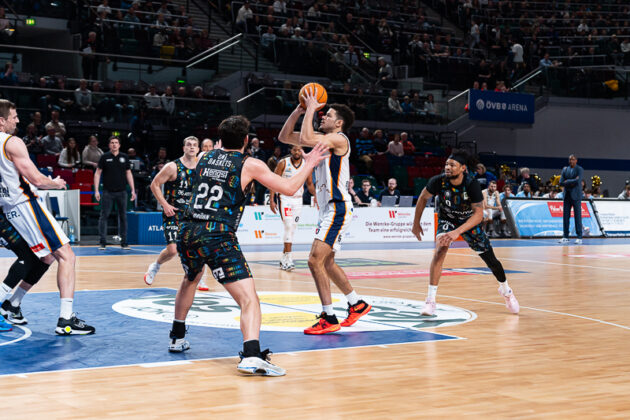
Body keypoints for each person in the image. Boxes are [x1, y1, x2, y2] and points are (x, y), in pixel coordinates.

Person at [170, 115, 327, 377]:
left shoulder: (203, 158)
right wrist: (309, 162)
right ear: (246, 140)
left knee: (191, 278)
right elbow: (289, 188)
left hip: (187, 230)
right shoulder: (249, 163)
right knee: (249, 299)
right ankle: (252, 355)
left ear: (219, 140)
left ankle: (176, 336)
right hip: (217, 234)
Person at [278, 89, 372, 335]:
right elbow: (285, 136)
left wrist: (311, 106)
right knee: (327, 263)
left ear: (338, 123)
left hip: (338, 208)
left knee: (313, 260)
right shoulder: (322, 139)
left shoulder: (339, 139)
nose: (322, 116)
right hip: (328, 210)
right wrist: (298, 110)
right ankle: (357, 303)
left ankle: (329, 317)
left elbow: (307, 135)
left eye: (327, 114)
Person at [0, 99, 95, 334]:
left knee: (46, 257)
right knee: (67, 255)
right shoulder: (12, 142)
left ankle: (13, 304)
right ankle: (66, 319)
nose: (18, 120)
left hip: (9, 208)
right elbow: (36, 179)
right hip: (26, 205)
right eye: (13, 117)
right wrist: (56, 183)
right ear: (1, 121)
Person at [411, 149, 519, 316]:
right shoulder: (438, 181)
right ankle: (430, 301)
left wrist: (458, 232)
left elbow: (478, 214)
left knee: (491, 261)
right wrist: (416, 223)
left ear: (462, 168)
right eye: (446, 164)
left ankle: (506, 291)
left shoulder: (471, 184)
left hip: (469, 222)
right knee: (440, 249)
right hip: (447, 219)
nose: (448, 167)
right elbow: (423, 198)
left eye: (452, 165)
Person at [145, 137, 199, 285]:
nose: (192, 147)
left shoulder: (202, 168)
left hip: (193, 215)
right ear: (183, 148)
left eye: (195, 145)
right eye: (189, 145)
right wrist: (165, 205)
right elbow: (154, 184)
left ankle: (198, 278)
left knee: (197, 248)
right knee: (173, 250)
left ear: (198, 149)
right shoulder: (172, 166)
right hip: (173, 213)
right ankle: (155, 266)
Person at [269, 145, 316, 271]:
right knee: (288, 225)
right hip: (284, 198)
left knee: (292, 229)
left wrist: (316, 195)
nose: (296, 152)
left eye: (299, 150)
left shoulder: (306, 165)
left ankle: (284, 258)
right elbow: (273, 181)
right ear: (290, 151)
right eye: (294, 149)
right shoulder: (283, 163)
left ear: (302, 151)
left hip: (298, 199)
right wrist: (271, 199)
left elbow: (310, 184)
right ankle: (289, 259)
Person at [94, 136, 136, 250]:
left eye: (116, 142)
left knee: (123, 217)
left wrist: (132, 189)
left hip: (122, 192)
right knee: (104, 216)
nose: (114, 144)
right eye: (112, 142)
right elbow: (97, 173)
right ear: (109, 145)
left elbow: (129, 173)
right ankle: (102, 242)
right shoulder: (104, 157)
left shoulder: (124, 157)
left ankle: (124, 242)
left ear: (119, 145)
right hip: (107, 192)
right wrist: (97, 190)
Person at [558, 154, 584, 244]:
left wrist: (567, 181)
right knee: (565, 217)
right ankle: (565, 236)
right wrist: (571, 181)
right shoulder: (565, 169)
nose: (571, 161)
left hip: (576, 196)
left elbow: (578, 180)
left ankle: (579, 237)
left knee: (577, 217)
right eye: (570, 159)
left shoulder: (579, 169)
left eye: (573, 159)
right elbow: (560, 182)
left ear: (576, 160)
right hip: (567, 196)